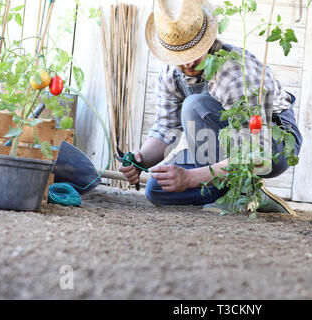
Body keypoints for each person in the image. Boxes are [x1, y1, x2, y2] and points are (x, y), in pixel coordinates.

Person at [119, 0, 302, 213]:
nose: (187, 64)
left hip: (272, 144)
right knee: (158, 188)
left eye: (193, 53)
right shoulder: (170, 76)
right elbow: (164, 132)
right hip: (226, 148)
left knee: (194, 105)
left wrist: (190, 178)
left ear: (208, 40)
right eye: (180, 57)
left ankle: (245, 191)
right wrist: (140, 160)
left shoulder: (232, 73)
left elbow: (257, 153)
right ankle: (245, 193)